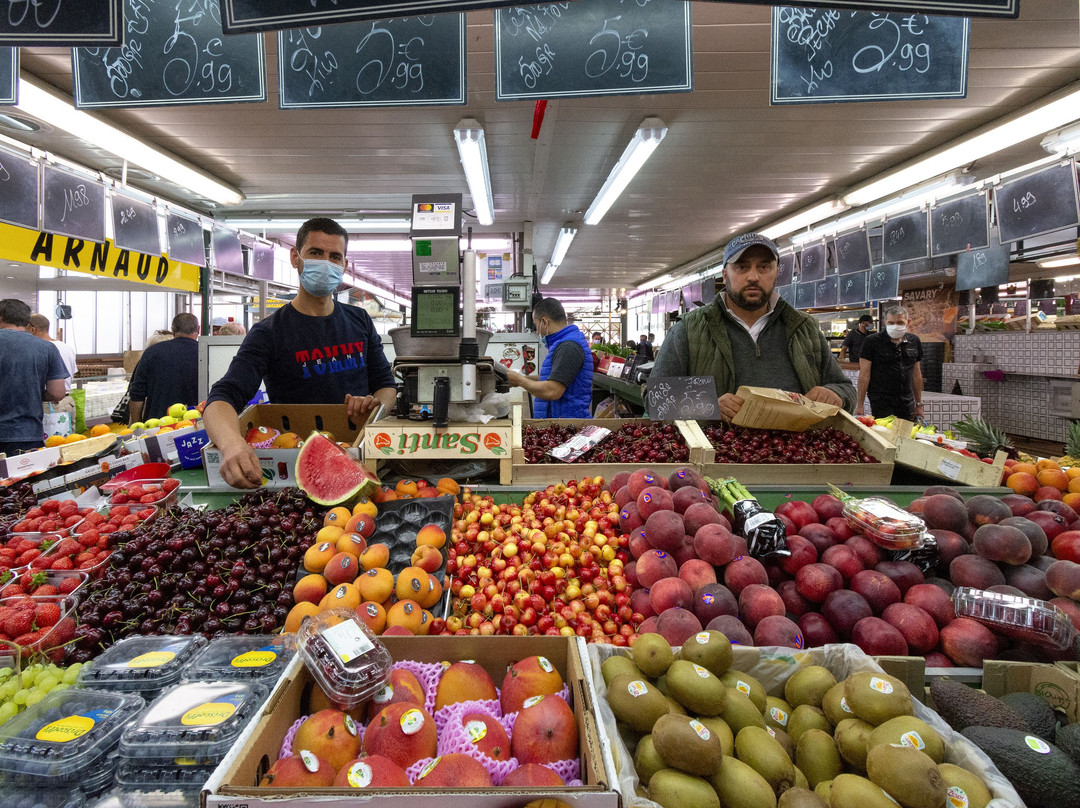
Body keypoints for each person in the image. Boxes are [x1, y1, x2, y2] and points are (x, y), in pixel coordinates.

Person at [204, 217, 397, 488]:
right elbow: (223, 397)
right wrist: (231, 443)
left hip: (356, 455)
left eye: (335, 256)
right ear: (296, 257)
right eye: (315, 253)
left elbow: (386, 386)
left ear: (344, 265)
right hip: (294, 463)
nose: (325, 263)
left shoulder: (360, 321)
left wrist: (374, 407)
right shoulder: (269, 332)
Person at [652, 232, 856, 421]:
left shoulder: (804, 328)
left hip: (797, 455)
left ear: (776, 272)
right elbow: (656, 397)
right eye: (742, 267)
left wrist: (836, 394)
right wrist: (707, 404)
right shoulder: (689, 329)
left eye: (764, 267)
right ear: (725, 275)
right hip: (719, 454)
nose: (753, 277)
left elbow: (846, 389)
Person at [0, 299, 67, 455]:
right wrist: (33, 391)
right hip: (27, 433)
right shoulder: (47, 348)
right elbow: (58, 393)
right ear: (26, 320)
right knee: (24, 479)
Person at [507, 297, 593, 418]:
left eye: (536, 326)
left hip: (567, 426)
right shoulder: (565, 343)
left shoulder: (568, 346)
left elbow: (553, 390)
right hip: (561, 422)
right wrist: (522, 378)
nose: (537, 332)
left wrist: (520, 381)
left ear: (545, 322)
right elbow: (553, 378)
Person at [128, 312, 201, 423]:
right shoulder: (204, 353)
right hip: (196, 422)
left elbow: (137, 394)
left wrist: (136, 425)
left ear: (173, 330)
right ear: (198, 329)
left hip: (157, 424)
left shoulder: (152, 352)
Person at [856, 305, 924, 420]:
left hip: (907, 402)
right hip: (881, 401)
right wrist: (860, 405)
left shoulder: (914, 341)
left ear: (908, 322)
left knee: (905, 435)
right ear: (885, 322)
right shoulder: (872, 342)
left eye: (900, 322)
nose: (895, 326)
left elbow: (916, 374)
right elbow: (864, 375)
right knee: (885, 434)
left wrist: (918, 404)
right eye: (891, 323)